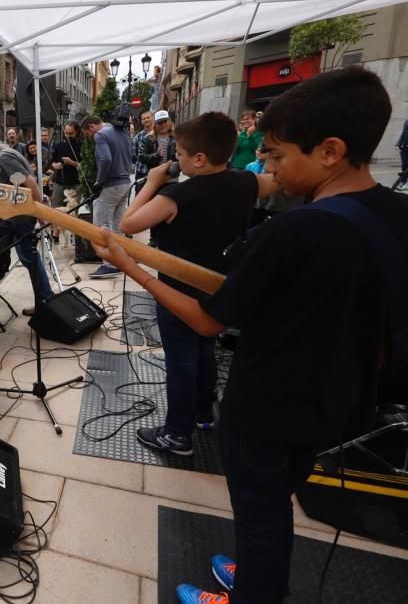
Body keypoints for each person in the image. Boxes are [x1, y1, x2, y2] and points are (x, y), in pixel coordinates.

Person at [91, 67, 408, 604]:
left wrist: (134, 269)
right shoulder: (398, 213)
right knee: (273, 504)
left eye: (279, 155)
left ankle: (255, 589)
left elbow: (209, 319)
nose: (270, 168)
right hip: (341, 402)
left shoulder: (293, 231)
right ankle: (258, 569)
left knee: (261, 514)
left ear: (330, 150)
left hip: (268, 408)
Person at [117, 112, 279, 458]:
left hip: (177, 291)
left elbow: (128, 223)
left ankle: (177, 434)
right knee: (205, 351)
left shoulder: (178, 195)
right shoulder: (243, 183)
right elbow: (273, 183)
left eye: (180, 156)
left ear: (200, 159)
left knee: (181, 362)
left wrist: (151, 181)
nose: (176, 162)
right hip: (218, 285)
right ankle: (204, 414)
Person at [0, 132, 54, 316]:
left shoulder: (3, 158)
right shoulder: (7, 154)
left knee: (29, 259)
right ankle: (44, 299)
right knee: (29, 258)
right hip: (21, 214)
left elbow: (29, 182)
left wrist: (39, 214)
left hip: (23, 216)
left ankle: (46, 299)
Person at [81, 115, 133, 278]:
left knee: (100, 225)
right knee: (117, 226)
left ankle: (110, 265)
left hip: (111, 184)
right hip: (125, 182)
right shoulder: (121, 131)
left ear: (91, 127)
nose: (90, 137)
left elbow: (105, 159)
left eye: (87, 133)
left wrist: (99, 182)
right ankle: (119, 261)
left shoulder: (100, 134)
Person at [50, 122, 82, 207]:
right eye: (66, 133)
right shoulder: (59, 145)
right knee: (56, 207)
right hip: (60, 182)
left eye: (71, 133)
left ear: (77, 132)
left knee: (73, 208)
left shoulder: (81, 145)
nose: (68, 136)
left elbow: (84, 167)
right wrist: (55, 165)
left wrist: (71, 163)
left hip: (75, 183)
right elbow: (52, 161)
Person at [395, 118, 408, 190]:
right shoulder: (406, 121)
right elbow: (403, 134)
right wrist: (398, 144)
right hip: (404, 147)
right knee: (404, 166)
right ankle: (403, 182)